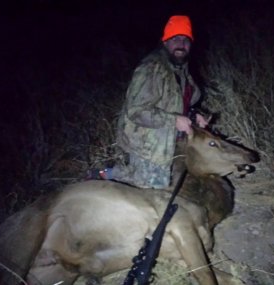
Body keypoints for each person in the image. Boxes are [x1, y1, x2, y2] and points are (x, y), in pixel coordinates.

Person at [89, 15, 209, 189]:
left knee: (166, 179)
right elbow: (136, 111)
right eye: (175, 38)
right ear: (165, 42)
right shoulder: (151, 68)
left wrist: (194, 114)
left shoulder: (181, 68)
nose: (181, 44)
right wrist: (174, 120)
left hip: (167, 138)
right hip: (147, 142)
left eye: (185, 39)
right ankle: (104, 176)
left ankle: (108, 173)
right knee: (152, 189)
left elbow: (180, 101)